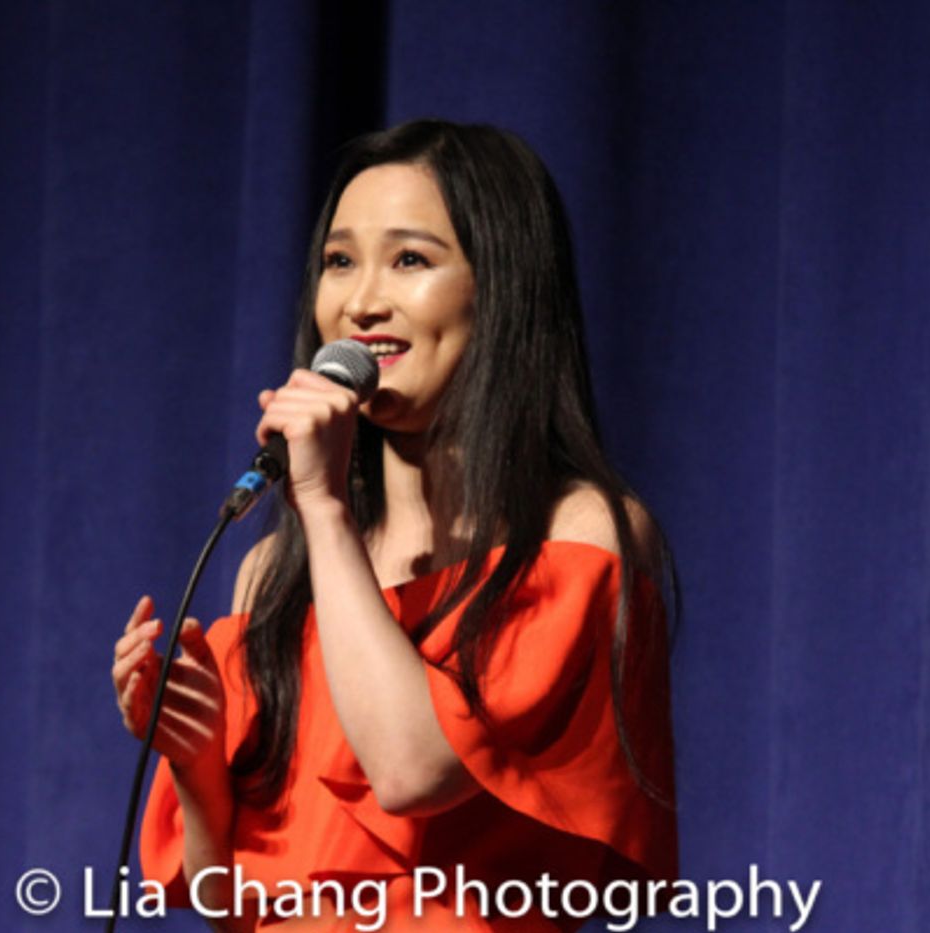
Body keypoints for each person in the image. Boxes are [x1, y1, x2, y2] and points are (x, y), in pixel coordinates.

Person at [110, 119, 677, 931]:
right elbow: (228, 902)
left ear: (503, 287)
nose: (362, 300)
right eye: (339, 261)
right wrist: (199, 765)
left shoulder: (582, 530)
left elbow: (414, 768)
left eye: (410, 259)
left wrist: (327, 507)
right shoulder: (274, 572)